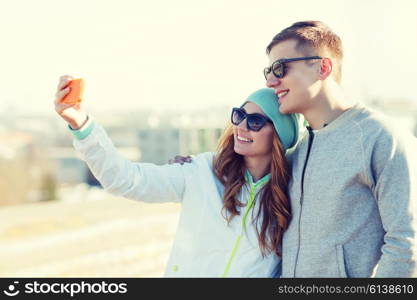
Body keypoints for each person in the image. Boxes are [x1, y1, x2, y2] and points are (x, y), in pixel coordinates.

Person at [54, 77, 301, 277]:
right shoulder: (202, 172)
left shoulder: (293, 192)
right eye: (239, 115)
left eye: (256, 121)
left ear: (280, 135)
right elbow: (126, 180)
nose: (242, 126)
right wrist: (82, 126)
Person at [264, 20, 417, 277]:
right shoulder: (296, 150)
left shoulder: (381, 136)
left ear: (323, 67)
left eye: (280, 68)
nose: (271, 81)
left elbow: (407, 240)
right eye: (268, 71)